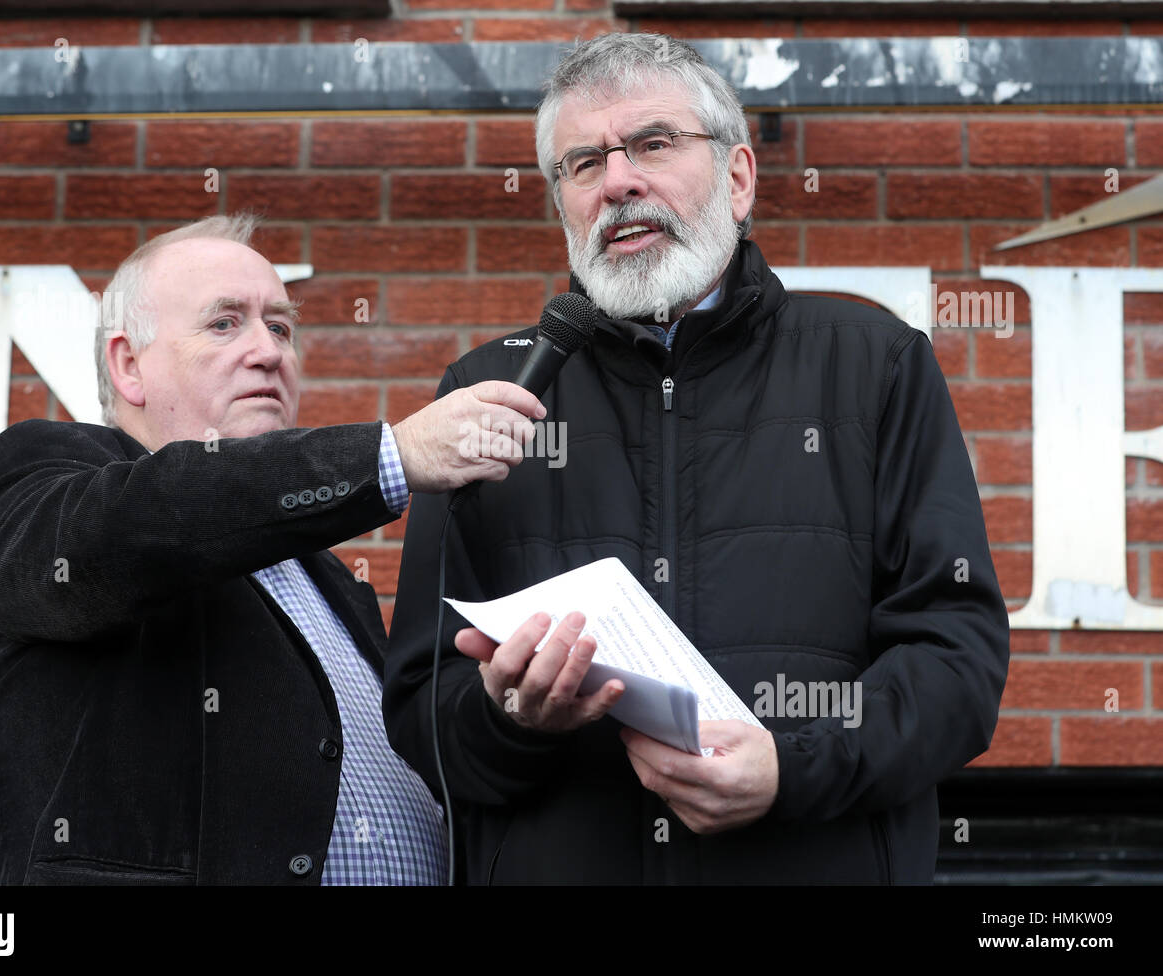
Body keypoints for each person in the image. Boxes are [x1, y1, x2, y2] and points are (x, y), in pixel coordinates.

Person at [382, 33, 1010, 883]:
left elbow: (957, 661)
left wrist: (793, 768)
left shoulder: (873, 365)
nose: (618, 182)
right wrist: (510, 720)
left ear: (739, 178)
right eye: (582, 163)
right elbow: (422, 709)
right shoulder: (488, 394)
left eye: (652, 144)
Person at [0, 214, 544, 884]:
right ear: (128, 365)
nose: (269, 351)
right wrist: (393, 452)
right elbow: (149, 520)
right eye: (224, 322)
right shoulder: (44, 474)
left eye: (280, 326)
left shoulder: (329, 582)